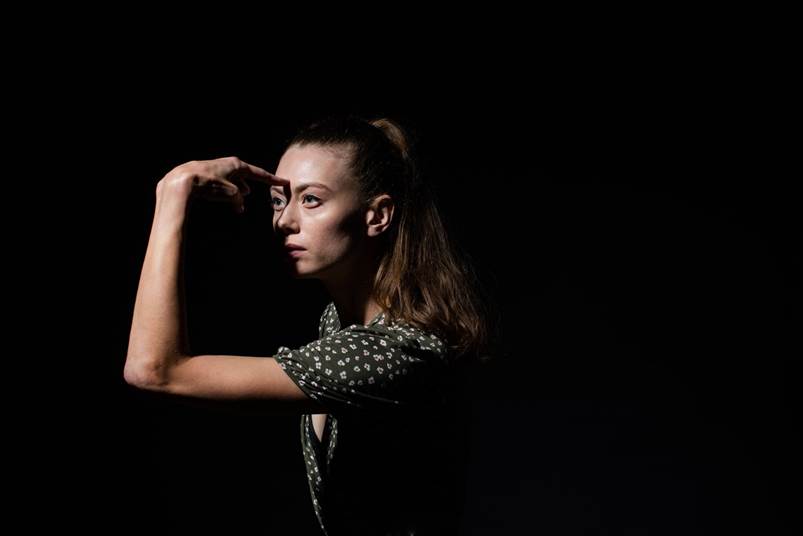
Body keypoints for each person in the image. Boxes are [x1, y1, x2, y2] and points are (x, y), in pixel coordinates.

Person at [124, 114, 500, 535]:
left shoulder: (395, 351)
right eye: (278, 201)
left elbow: (154, 370)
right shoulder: (337, 320)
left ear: (377, 215)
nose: (284, 220)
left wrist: (172, 194)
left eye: (312, 200)